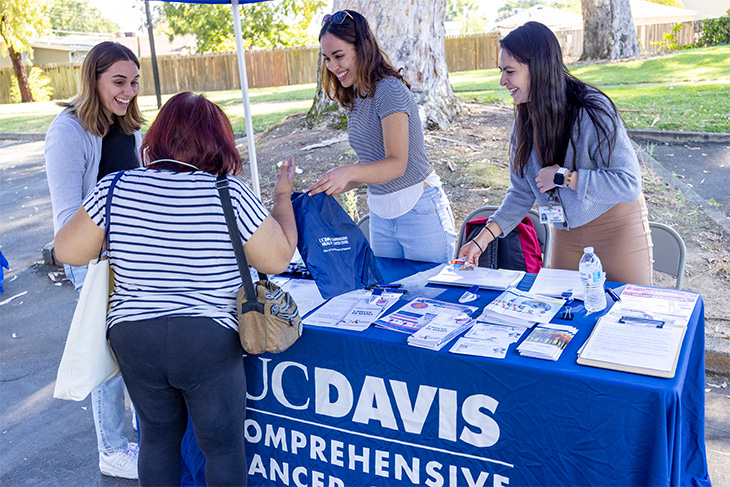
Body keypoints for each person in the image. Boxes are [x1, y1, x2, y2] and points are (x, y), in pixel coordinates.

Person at [53, 91, 298, 486]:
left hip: (135, 336)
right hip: (207, 339)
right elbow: (278, 259)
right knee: (222, 447)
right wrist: (282, 199)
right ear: (219, 142)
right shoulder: (228, 192)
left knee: (156, 439)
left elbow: (67, 249)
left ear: (159, 136)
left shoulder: (115, 188)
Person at [458, 22, 652, 285]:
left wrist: (564, 177)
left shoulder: (592, 110)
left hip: (615, 229)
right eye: (501, 71)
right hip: (565, 235)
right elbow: (521, 193)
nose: (502, 81)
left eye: (510, 71)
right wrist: (480, 241)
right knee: (560, 319)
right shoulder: (524, 120)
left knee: (625, 315)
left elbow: (628, 183)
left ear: (537, 69)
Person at [45, 41, 143, 479]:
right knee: (109, 353)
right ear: (93, 80)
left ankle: (149, 435)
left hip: (133, 252)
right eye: (118, 82)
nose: (128, 92)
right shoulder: (67, 132)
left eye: (134, 83)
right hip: (92, 258)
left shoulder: (131, 127)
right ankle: (113, 448)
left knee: (139, 347)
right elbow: (68, 220)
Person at [309, 10, 456, 263]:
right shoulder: (353, 97)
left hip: (420, 210)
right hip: (380, 215)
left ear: (362, 48)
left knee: (430, 299)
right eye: (327, 59)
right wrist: (334, 184)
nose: (332, 67)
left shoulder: (389, 89)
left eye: (339, 56)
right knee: (387, 298)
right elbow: (371, 164)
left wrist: (348, 173)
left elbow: (396, 163)